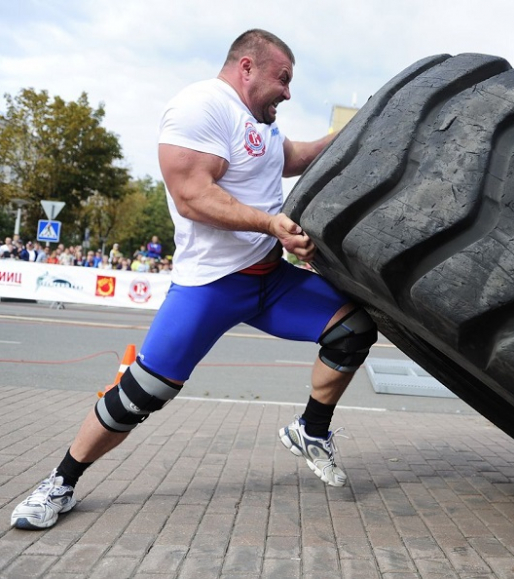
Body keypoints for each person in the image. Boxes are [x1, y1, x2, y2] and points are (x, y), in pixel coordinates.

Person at [10, 29, 377, 530]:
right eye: (283, 79)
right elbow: (192, 197)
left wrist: (366, 125)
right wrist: (271, 223)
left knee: (352, 329)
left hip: (271, 281)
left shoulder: (263, 124)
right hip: (212, 287)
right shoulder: (201, 107)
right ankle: (61, 481)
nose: (289, 92)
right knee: (138, 398)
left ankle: (311, 430)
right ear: (247, 67)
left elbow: (298, 157)